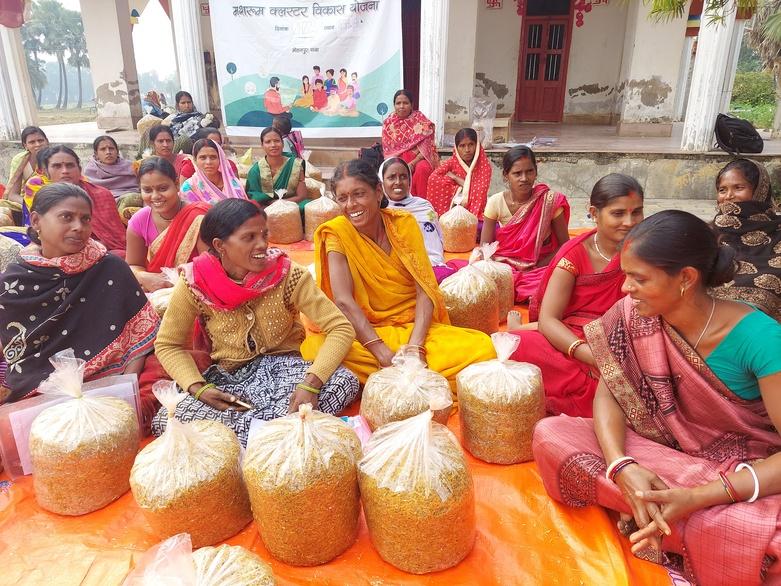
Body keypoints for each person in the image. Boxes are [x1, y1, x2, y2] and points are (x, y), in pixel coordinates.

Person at [533, 210, 781, 585]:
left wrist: (697, 497)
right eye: (625, 275)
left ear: (685, 279)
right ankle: (665, 514)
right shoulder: (633, 315)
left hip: (740, 472)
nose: (624, 289)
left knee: (763, 534)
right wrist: (621, 466)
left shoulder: (759, 338)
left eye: (638, 278)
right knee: (552, 434)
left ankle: (659, 515)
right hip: (658, 457)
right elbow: (610, 394)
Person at [151, 199, 359, 446]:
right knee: (166, 417)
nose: (262, 244)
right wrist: (198, 388)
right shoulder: (195, 283)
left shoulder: (288, 274)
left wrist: (311, 384)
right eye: (249, 237)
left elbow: (341, 327)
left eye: (264, 234)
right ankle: (284, 434)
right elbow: (168, 345)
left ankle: (251, 438)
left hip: (287, 373)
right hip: (232, 379)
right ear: (220, 245)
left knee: (345, 380)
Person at [300, 159, 496, 393]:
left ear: (377, 191)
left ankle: (392, 380)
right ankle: (417, 380)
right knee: (315, 349)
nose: (351, 205)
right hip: (366, 334)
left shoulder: (403, 224)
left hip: (414, 327)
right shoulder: (336, 233)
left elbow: (424, 287)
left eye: (359, 194)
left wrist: (415, 347)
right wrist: (381, 352)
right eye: (343, 198)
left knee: (484, 347)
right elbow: (343, 300)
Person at [0, 183, 158, 405]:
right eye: (66, 217)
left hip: (110, 385)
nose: (79, 227)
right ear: (36, 221)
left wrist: (126, 392)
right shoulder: (14, 282)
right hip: (38, 391)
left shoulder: (110, 268)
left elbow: (139, 340)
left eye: (85, 219)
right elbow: (15, 353)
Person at [509, 174, 644, 417]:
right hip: (575, 340)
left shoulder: (647, 249)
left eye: (636, 212)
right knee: (519, 346)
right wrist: (592, 357)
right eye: (618, 213)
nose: (629, 222)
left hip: (625, 339)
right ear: (594, 212)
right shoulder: (574, 255)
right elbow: (551, 319)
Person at [480, 146, 570, 302]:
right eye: (517, 173)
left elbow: (565, 246)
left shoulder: (550, 201)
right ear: (505, 176)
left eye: (529, 171)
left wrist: (538, 266)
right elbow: (486, 248)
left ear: (536, 172)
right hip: (507, 262)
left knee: (558, 283)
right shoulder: (495, 202)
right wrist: (498, 271)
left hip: (541, 264)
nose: (524, 178)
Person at [711, 158, 781, 321]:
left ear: (759, 190)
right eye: (722, 190)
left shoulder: (777, 233)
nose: (728, 196)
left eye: (738, 188)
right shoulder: (707, 235)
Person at [127, 157, 209, 292]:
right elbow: (133, 265)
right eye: (147, 190)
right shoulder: (140, 220)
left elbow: (209, 268)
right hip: (156, 292)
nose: (155, 196)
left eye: (163, 188)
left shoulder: (199, 217)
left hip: (197, 291)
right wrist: (146, 277)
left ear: (177, 184)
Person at [24, 146, 127, 253]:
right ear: (45, 172)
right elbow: (40, 232)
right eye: (57, 166)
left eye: (70, 165)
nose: (65, 171)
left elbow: (116, 237)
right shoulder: (43, 197)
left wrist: (95, 246)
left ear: (80, 169)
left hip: (101, 249)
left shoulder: (101, 194)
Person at [381, 157, 455, 283]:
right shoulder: (378, 211)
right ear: (382, 182)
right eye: (391, 177)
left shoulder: (423, 206)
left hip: (430, 266)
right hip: (394, 271)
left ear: (410, 180)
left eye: (403, 176)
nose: (398, 182)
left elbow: (435, 247)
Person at [382, 89, 440, 200]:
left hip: (419, 159)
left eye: (405, 103)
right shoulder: (388, 123)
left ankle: (422, 204)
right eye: (398, 103)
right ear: (394, 105)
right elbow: (389, 151)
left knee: (423, 168)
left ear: (412, 105)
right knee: (395, 171)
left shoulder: (421, 121)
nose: (402, 106)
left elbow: (428, 148)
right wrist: (402, 164)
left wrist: (412, 163)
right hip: (397, 159)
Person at [427, 127, 492, 218]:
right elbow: (433, 178)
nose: (467, 150)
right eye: (462, 146)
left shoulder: (484, 165)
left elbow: (478, 191)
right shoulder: (452, 162)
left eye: (471, 144)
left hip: (477, 210)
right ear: (456, 148)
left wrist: (455, 178)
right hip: (453, 209)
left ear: (477, 145)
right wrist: (458, 189)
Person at [245, 127, 309, 213]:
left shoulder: (295, 164)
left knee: (306, 206)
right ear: (262, 145)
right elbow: (254, 197)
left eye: (277, 141)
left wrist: (280, 203)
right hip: (267, 206)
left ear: (282, 143)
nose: (273, 145)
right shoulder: (255, 171)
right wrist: (272, 205)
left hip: (292, 204)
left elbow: (302, 196)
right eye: (268, 142)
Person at [181, 138, 248, 204]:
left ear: (220, 159)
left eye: (213, 157)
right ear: (195, 160)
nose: (208, 162)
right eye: (203, 157)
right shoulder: (189, 187)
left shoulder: (233, 182)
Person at [84, 135, 139, 201]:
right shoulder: (91, 171)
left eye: (111, 148)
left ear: (117, 152)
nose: (108, 152)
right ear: (96, 154)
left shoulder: (131, 166)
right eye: (103, 149)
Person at [5, 126, 48, 206]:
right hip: (25, 202)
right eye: (32, 142)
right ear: (25, 146)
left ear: (47, 141)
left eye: (40, 140)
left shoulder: (55, 158)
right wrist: (31, 205)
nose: (37, 144)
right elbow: (13, 195)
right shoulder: (20, 160)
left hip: (52, 201)